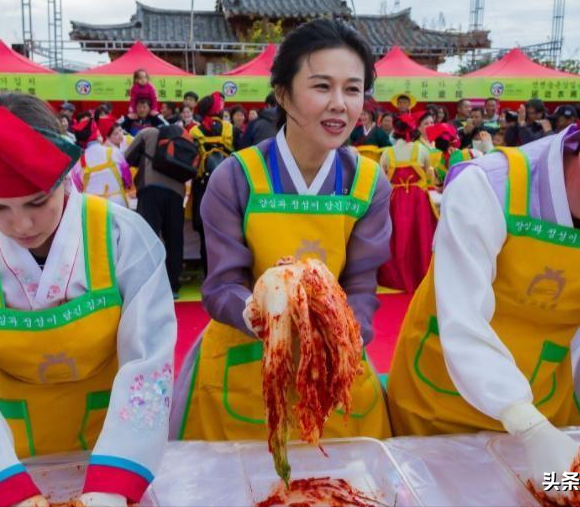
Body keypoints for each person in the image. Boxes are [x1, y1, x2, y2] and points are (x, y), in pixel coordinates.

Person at [387, 81, 580, 502]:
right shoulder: (490, 187)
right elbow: (463, 316)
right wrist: (526, 424)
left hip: (545, 405)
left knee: (551, 494)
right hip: (441, 398)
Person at [0, 93, 177, 507]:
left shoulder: (124, 238)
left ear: (66, 176)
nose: (20, 224)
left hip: (116, 445)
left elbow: (148, 361)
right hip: (6, 454)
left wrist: (112, 486)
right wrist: (8, 488)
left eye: (38, 202)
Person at [170, 18, 392, 441]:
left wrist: (343, 341)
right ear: (283, 93)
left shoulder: (368, 182)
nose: (340, 104)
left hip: (334, 362)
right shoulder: (237, 178)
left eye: (352, 89)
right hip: (246, 359)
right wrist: (267, 320)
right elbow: (222, 285)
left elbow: (362, 283)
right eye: (322, 86)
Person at [124, 125, 186, 298]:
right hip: (177, 192)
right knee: (174, 240)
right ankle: (173, 286)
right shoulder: (182, 135)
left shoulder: (146, 133)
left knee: (148, 238)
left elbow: (126, 158)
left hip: (150, 189)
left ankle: (148, 284)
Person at [377, 124, 437, 293]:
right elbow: (429, 175)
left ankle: (397, 276)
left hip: (395, 199)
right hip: (418, 199)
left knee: (397, 236)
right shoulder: (421, 150)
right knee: (420, 235)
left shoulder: (387, 153)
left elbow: (382, 178)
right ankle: (421, 274)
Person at [189, 92, 234, 274]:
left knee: (205, 233)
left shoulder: (194, 131)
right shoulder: (229, 129)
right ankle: (227, 273)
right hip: (227, 186)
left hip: (203, 185)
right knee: (228, 233)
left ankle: (208, 275)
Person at [71, 117, 132, 208]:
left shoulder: (78, 163)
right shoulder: (114, 152)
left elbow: (78, 188)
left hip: (94, 208)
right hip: (118, 205)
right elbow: (127, 180)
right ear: (98, 135)